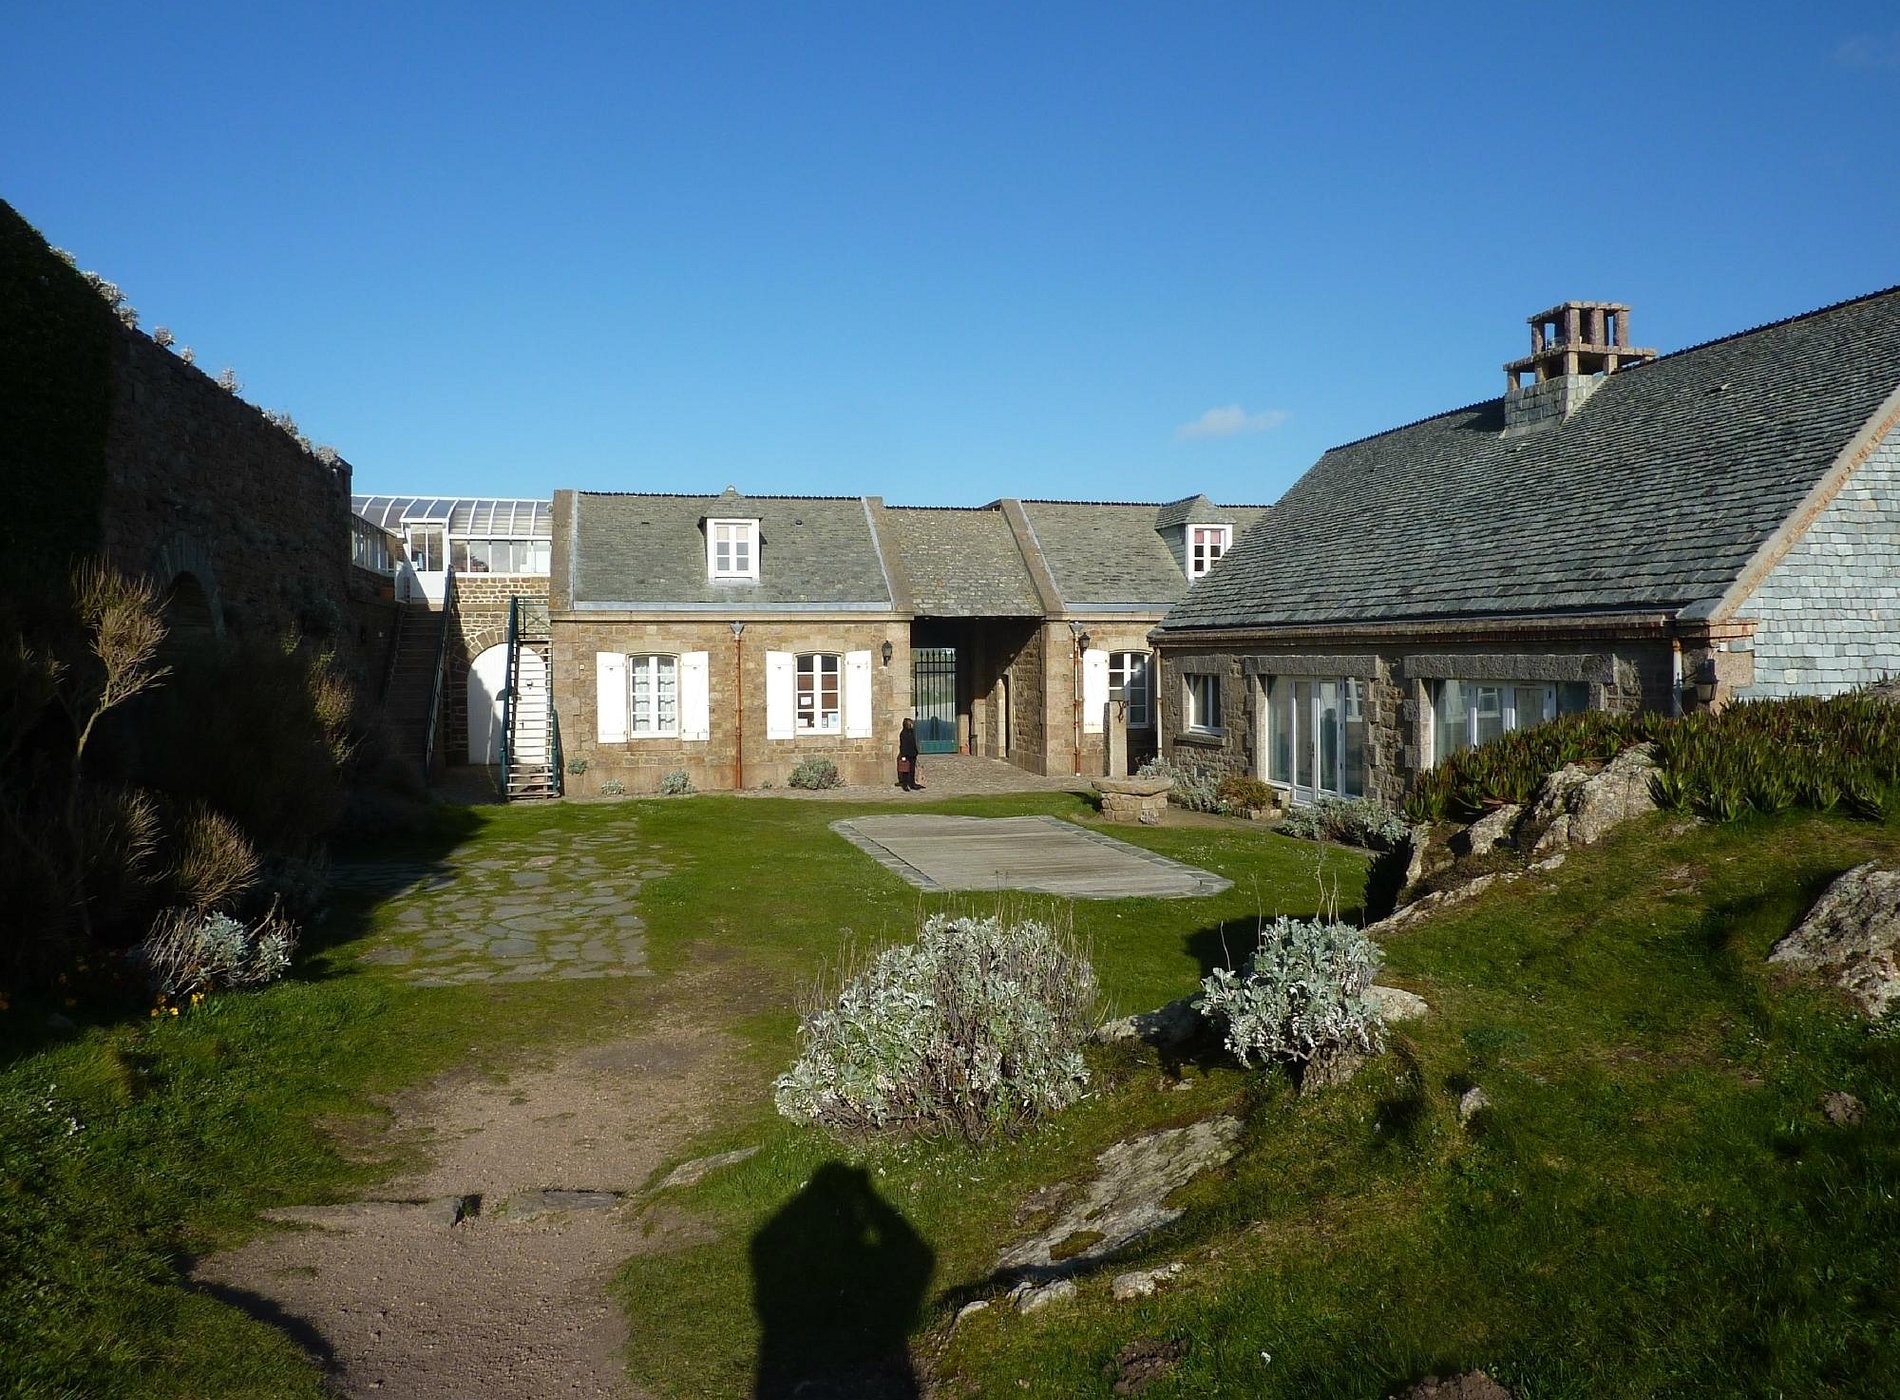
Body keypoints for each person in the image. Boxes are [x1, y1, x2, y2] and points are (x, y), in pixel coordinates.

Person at [897, 717, 923, 790]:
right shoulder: (903, 733)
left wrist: (916, 751)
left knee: (912, 770)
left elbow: (913, 743)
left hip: (912, 753)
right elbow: (903, 745)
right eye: (910, 723)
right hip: (906, 754)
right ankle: (905, 784)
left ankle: (912, 783)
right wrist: (903, 755)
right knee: (905, 770)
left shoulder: (911, 732)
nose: (912, 725)